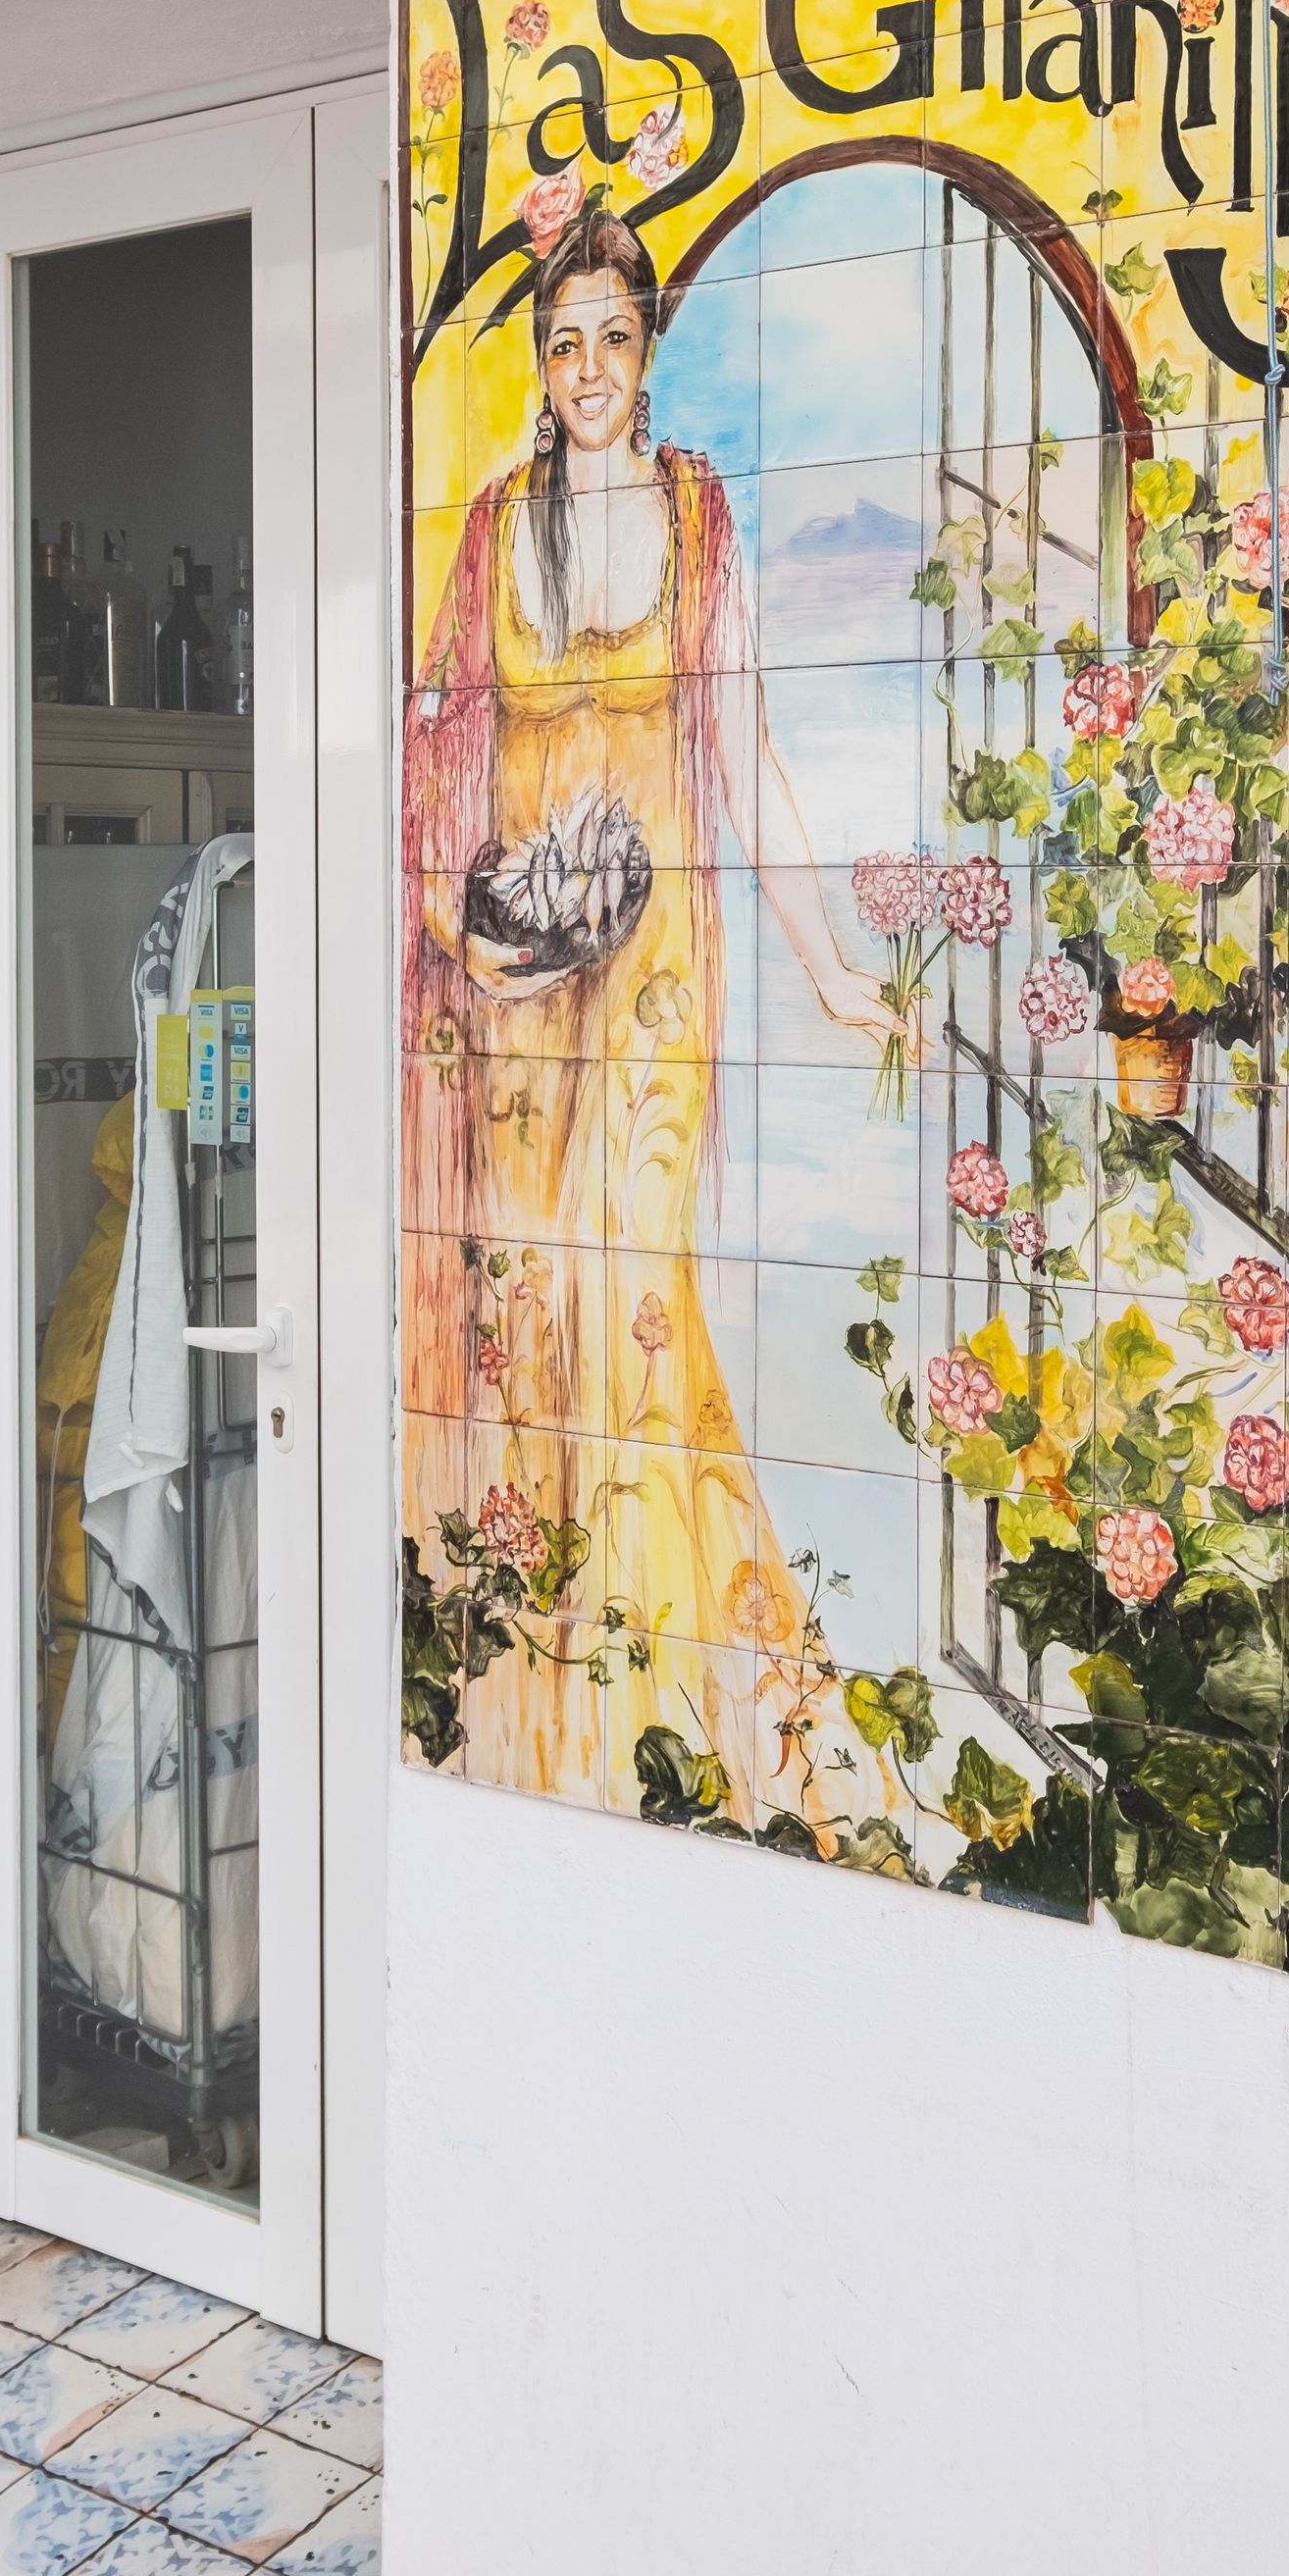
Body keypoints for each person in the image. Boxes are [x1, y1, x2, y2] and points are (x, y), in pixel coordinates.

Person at [401, 192, 901, 1820]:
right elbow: (434, 764)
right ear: (541, 367)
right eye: (566, 343)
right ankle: (536, 1702)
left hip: (663, 983)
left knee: (640, 1299)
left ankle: (652, 1697)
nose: (592, 365)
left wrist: (829, 965)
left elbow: (745, 753)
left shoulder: (699, 514)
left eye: (618, 337)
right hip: (526, 991)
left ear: (649, 350)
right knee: (530, 1314)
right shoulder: (489, 528)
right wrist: (467, 936)